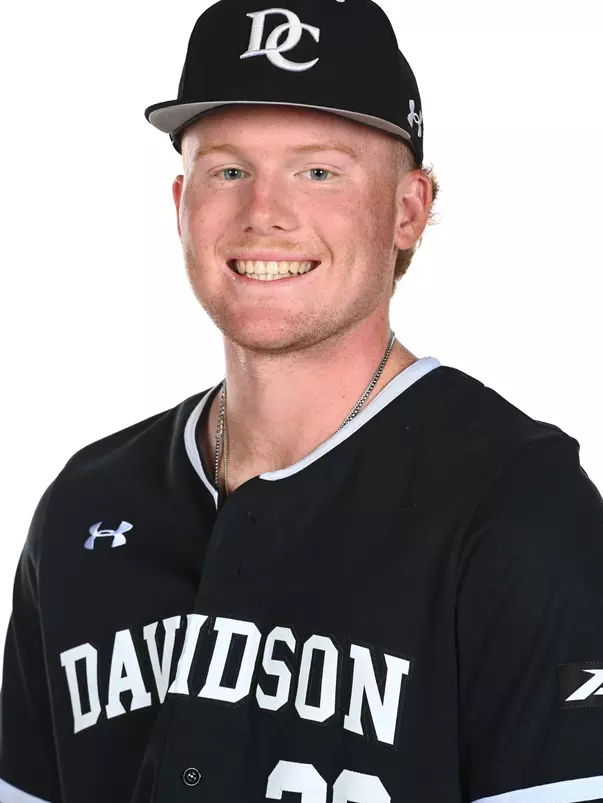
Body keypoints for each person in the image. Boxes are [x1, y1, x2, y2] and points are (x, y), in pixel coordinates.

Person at [1, 0, 603, 801]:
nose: (264, 214)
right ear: (180, 203)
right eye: (228, 170)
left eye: (318, 170)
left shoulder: (516, 505)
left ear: (407, 209)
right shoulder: (85, 503)